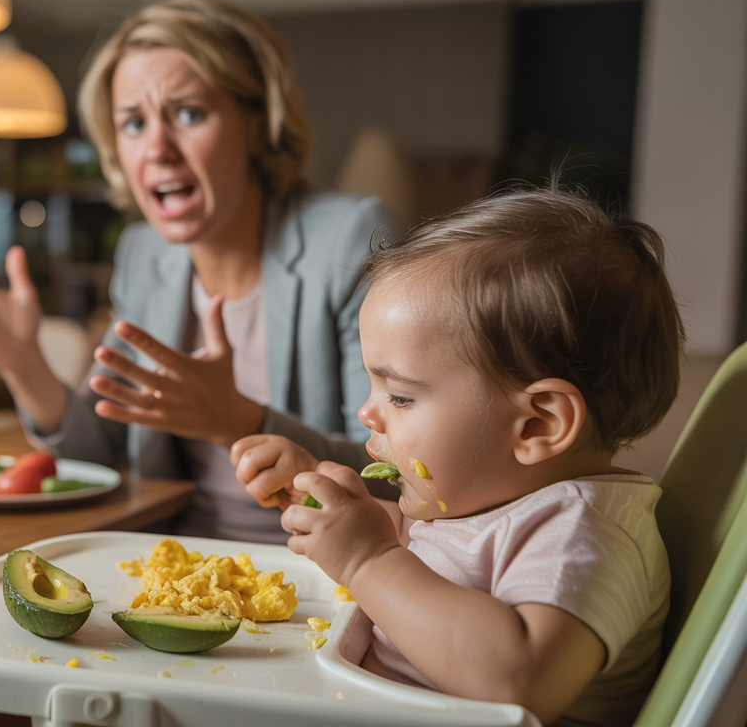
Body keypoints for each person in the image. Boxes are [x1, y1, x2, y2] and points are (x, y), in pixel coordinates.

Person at [0, 0, 393, 544]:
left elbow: (397, 472)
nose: (157, 148)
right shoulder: (145, 254)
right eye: (133, 123)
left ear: (257, 125)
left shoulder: (348, 239)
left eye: (188, 114)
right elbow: (102, 451)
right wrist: (23, 363)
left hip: (318, 562)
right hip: (173, 555)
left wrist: (243, 421)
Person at [236, 187, 681, 726]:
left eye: (400, 396)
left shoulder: (582, 533)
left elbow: (519, 680)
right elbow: (435, 563)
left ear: (537, 424)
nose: (367, 413)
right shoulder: (485, 497)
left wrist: (367, 560)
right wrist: (342, 510)